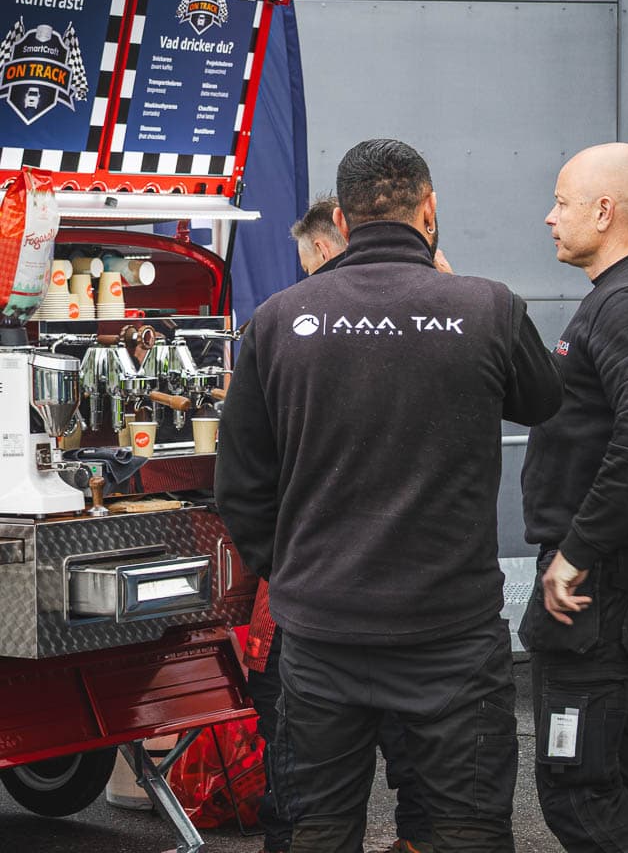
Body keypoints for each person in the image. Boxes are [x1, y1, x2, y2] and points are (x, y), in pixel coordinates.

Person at [215, 138, 563, 853]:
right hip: (452, 635)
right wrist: (456, 298)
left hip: (320, 631)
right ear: (428, 210)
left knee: (319, 828)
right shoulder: (488, 306)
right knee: (462, 829)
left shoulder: (279, 320)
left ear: (341, 220)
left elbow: (241, 482)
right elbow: (543, 399)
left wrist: (293, 573)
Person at [246, 195, 435, 853]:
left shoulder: (283, 335)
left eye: (306, 262)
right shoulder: (444, 322)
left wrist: (280, 568)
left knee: (305, 787)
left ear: (326, 249)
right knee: (422, 771)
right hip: (418, 604)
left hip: (316, 605)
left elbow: (247, 480)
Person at [519, 142, 628, 853]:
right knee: (613, 770)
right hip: (613, 570)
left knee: (579, 791)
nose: (549, 217)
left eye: (562, 201)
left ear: (605, 210)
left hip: (595, 581)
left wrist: (576, 552)